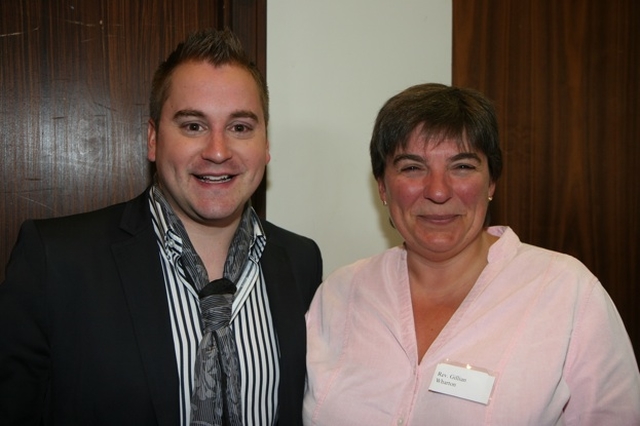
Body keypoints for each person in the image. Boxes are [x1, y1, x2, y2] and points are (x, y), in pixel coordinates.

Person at [0, 28, 322, 426]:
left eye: (240, 127)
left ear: (265, 144)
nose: (218, 151)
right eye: (192, 126)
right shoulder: (56, 261)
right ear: (153, 140)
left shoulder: (301, 262)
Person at [303, 83, 640, 425]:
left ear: (491, 182)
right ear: (382, 186)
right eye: (412, 168)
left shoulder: (567, 293)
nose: (437, 191)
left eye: (462, 166)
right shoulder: (340, 294)